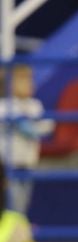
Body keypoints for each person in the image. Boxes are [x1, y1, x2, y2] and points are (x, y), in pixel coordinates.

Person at [0, 65, 54, 214]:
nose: (29, 83)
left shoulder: (35, 105)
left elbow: (44, 127)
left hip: (29, 162)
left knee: (24, 200)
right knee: (11, 201)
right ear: (9, 83)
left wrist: (37, 126)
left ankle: (20, 224)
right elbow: (26, 128)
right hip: (9, 164)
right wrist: (26, 124)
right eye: (22, 80)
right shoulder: (4, 106)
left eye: (30, 79)